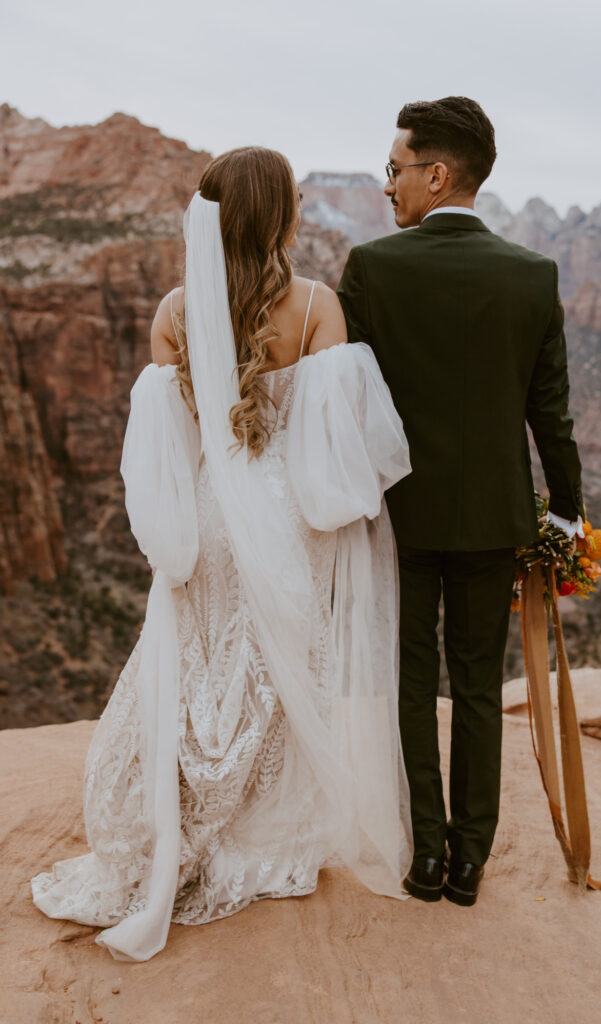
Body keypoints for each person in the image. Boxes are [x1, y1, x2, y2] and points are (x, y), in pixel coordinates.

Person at [32, 147, 413, 962]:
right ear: (276, 215)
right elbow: (331, 457)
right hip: (284, 519)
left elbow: (161, 450)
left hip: (207, 512)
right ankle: (255, 836)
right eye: (295, 198)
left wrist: (173, 534)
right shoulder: (315, 307)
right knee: (274, 676)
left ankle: (172, 823)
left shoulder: (176, 309)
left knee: (198, 664)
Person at [337, 96, 584, 907]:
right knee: (477, 686)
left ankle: (425, 856)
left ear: (436, 174)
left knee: (409, 683)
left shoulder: (374, 269)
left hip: (397, 520)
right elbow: (548, 412)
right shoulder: (532, 275)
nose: (387, 187)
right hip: (492, 520)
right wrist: (563, 517)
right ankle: (471, 860)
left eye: (395, 170)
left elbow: (348, 406)